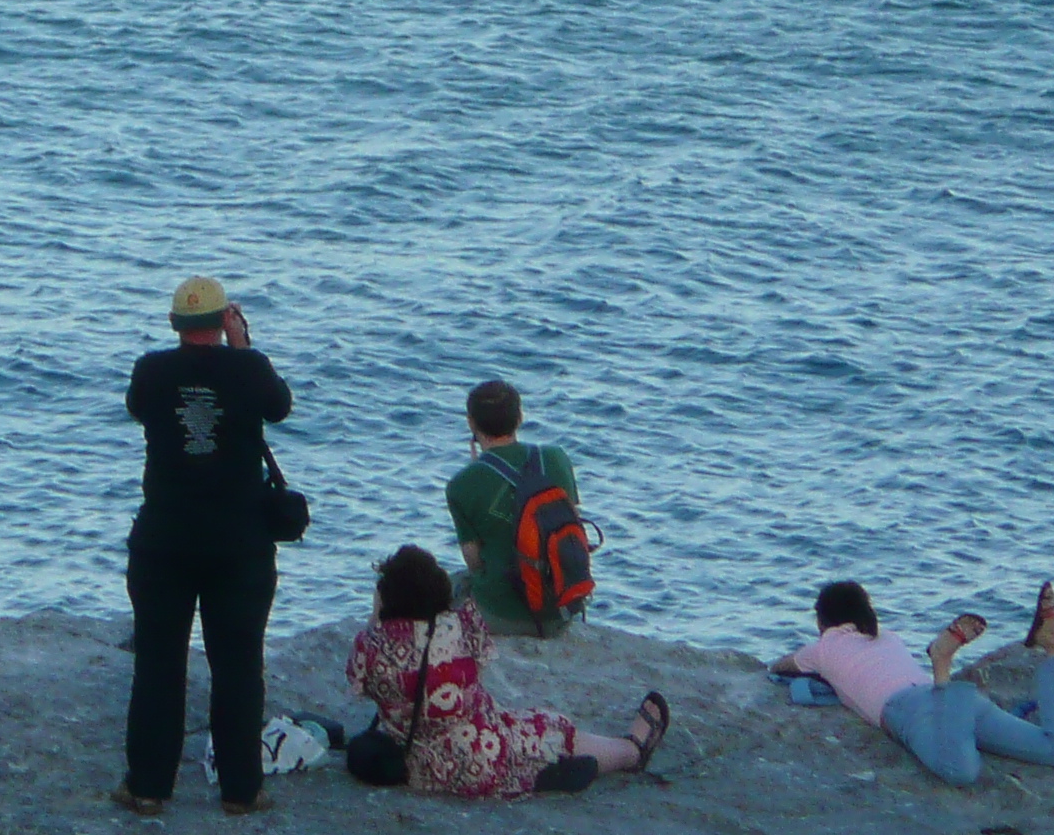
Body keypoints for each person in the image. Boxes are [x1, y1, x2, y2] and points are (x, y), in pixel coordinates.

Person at [112, 275, 292, 818]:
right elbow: (279, 407)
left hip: (164, 538)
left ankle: (147, 786)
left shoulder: (151, 371)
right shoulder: (249, 369)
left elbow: (140, 410)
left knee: (158, 664)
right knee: (238, 664)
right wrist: (241, 346)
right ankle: (240, 790)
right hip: (239, 542)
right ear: (221, 322)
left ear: (174, 324)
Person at [344, 545, 666, 799]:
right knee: (550, 726)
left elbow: (358, 687)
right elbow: (478, 667)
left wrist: (379, 620)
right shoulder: (463, 624)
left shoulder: (368, 646)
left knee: (525, 734)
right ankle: (630, 752)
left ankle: (543, 777)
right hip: (482, 754)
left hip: (414, 768)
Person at [770, 577, 1054, 787]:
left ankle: (943, 662)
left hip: (910, 710)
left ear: (821, 620)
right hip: (955, 703)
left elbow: (781, 666)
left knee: (959, 771)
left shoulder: (822, 649)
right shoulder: (884, 635)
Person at [445, 380, 585, 635]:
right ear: (519, 418)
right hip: (560, 611)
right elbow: (572, 523)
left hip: (501, 616)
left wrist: (476, 472)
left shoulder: (461, 484)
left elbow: (475, 562)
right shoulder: (554, 457)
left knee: (444, 586)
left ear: (471, 423)